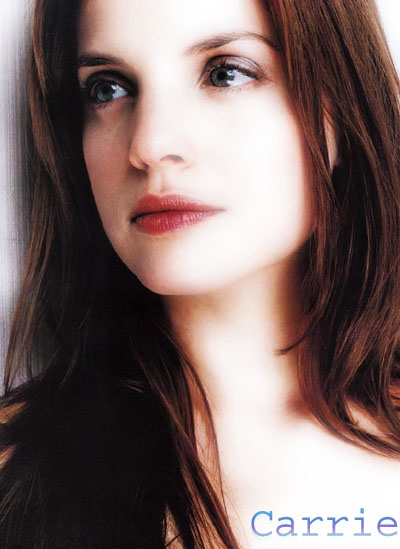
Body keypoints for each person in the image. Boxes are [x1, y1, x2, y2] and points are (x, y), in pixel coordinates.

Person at [0, 0, 399, 547]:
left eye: (225, 73)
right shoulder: (14, 473)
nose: (150, 145)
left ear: (342, 104)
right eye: (108, 88)